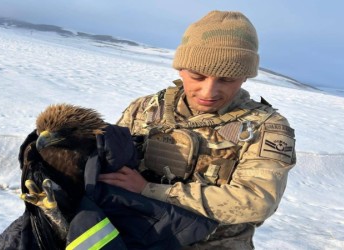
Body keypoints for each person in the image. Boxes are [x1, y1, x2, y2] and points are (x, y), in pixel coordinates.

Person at [99, 10, 296, 249]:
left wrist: (151, 190)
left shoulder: (265, 127)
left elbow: (256, 202)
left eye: (226, 79)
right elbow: (110, 165)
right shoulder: (146, 108)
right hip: (136, 235)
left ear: (245, 77)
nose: (208, 92)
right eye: (198, 76)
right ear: (180, 69)